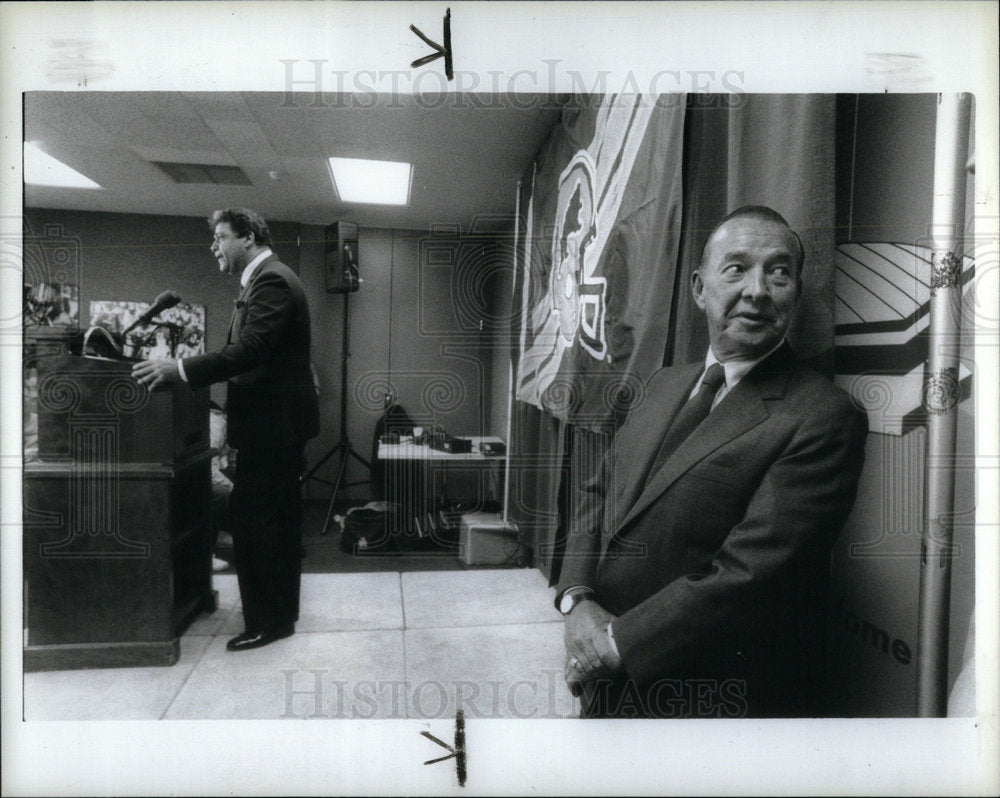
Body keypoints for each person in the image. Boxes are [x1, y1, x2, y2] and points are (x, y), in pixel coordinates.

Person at [556, 206, 868, 718]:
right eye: (737, 268)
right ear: (700, 288)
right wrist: (576, 598)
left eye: (779, 272)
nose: (758, 290)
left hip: (706, 697)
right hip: (604, 676)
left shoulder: (824, 415)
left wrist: (611, 646)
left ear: (796, 293)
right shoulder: (662, 385)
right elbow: (598, 491)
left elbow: (750, 573)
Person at [133, 207, 320, 652]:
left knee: (257, 524)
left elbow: (251, 351)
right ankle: (280, 613)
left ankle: (268, 622)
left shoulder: (271, 280)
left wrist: (179, 369)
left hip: (272, 428)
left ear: (249, 237)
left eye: (220, 237)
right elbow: (245, 351)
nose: (214, 246)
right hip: (276, 426)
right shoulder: (265, 279)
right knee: (276, 523)